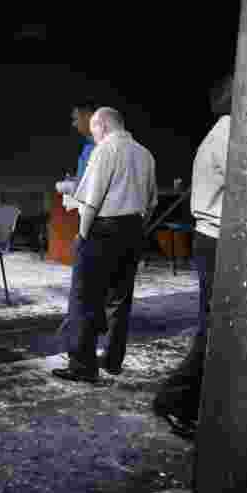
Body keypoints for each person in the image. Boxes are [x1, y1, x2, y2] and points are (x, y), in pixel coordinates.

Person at [152, 74, 233, 436]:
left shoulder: (222, 133)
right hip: (217, 240)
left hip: (213, 239)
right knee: (217, 328)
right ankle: (176, 399)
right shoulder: (229, 135)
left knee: (216, 326)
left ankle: (190, 398)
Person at [53, 107, 158, 383]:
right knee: (120, 299)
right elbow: (152, 203)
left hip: (102, 229)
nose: (94, 136)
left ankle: (83, 366)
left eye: (94, 130)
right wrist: (138, 229)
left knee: (85, 297)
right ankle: (112, 360)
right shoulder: (145, 154)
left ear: (103, 126)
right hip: (133, 229)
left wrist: (82, 234)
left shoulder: (104, 150)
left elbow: (91, 200)